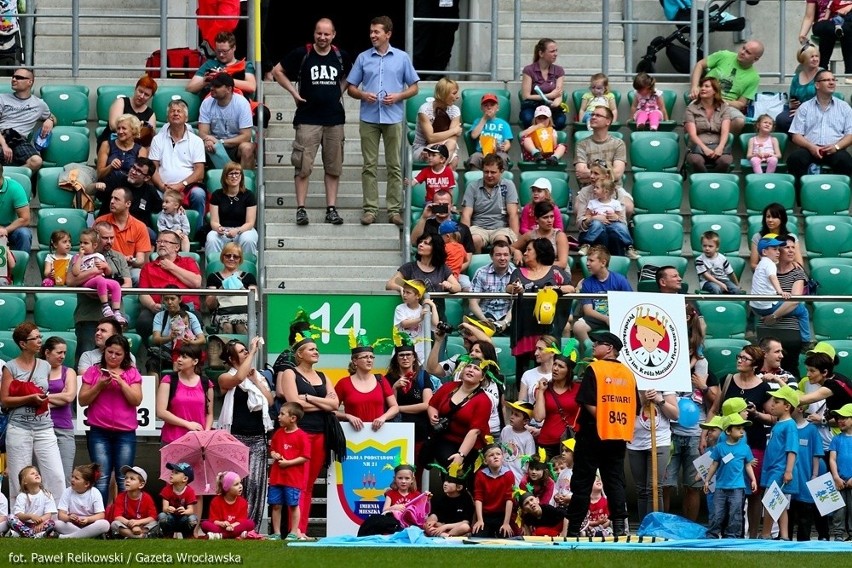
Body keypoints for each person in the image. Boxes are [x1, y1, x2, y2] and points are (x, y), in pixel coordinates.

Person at [272, 18, 349, 226]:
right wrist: (293, 93)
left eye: (327, 34)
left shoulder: (341, 56)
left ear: (333, 35)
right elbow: (277, 71)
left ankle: (331, 209)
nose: (322, 37)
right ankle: (301, 208)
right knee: (303, 166)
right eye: (319, 33)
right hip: (307, 118)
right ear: (314, 33)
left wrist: (338, 92)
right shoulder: (302, 54)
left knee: (333, 168)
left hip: (334, 119)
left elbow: (352, 76)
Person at [346, 15, 420, 227]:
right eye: (371, 32)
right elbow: (351, 87)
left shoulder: (402, 57)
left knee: (394, 165)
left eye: (377, 32)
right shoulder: (363, 58)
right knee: (369, 165)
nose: (372, 36)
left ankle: (394, 210)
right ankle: (370, 209)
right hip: (368, 117)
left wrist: (398, 96)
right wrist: (362, 95)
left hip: (393, 117)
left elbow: (415, 87)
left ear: (388, 34)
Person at [564, 331, 639, 538]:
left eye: (598, 344)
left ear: (609, 349)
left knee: (582, 482)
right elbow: (635, 407)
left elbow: (587, 401)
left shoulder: (594, 369)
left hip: (592, 434)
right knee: (614, 482)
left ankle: (573, 529)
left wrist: (604, 420)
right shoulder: (628, 374)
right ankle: (619, 529)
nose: (593, 346)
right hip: (618, 436)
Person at [277, 332, 342, 536]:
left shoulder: (323, 376)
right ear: (299, 354)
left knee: (309, 483)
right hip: (299, 434)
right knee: (298, 483)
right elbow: (294, 405)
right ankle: (294, 529)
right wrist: (322, 404)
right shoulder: (290, 373)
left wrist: (309, 398)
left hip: (321, 433)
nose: (316, 351)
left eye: (316, 349)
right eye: (311, 349)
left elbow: (335, 404)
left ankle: (301, 529)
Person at [708, 344, 774, 538]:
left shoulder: (763, 387)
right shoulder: (728, 380)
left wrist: (755, 414)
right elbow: (714, 409)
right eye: (739, 356)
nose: (739, 360)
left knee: (753, 491)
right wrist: (707, 433)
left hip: (753, 444)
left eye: (745, 358)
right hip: (726, 444)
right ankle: (727, 532)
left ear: (755, 365)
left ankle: (753, 535)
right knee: (726, 488)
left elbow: (772, 417)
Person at [0, 322, 65, 504]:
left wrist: (40, 399)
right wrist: (30, 398)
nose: (39, 341)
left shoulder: (44, 365)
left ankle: (55, 520)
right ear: (23, 344)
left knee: (56, 475)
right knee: (19, 478)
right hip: (19, 427)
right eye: (35, 338)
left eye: (39, 337)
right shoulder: (10, 367)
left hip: (44, 426)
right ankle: (19, 519)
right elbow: (4, 400)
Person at [78, 334, 143, 504]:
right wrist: (98, 386)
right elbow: (82, 400)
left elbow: (136, 400)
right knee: (101, 478)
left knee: (124, 479)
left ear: (125, 355)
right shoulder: (93, 370)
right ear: (104, 351)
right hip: (99, 431)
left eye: (118, 354)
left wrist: (122, 383)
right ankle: (101, 519)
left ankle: (123, 518)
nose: (113, 356)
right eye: (110, 352)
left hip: (125, 433)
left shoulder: (131, 372)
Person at [217, 337, 274, 529]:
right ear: (232, 360)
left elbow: (270, 401)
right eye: (242, 352)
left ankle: (250, 528)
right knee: (236, 484)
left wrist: (256, 380)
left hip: (258, 437)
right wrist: (254, 351)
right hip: (236, 438)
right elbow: (238, 379)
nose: (247, 353)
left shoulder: (256, 375)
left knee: (256, 485)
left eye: (246, 351)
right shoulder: (225, 377)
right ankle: (232, 526)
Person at [507, 238, 574, 373]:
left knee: (548, 369)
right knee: (522, 368)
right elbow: (508, 287)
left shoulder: (555, 272)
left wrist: (556, 289)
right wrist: (515, 288)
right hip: (524, 328)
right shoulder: (518, 272)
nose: (525, 253)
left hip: (547, 329)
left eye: (529, 250)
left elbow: (571, 288)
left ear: (539, 252)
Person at [426, 357, 495, 472]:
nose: (471, 370)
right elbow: (432, 404)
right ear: (462, 371)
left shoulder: (484, 401)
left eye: (476, 369)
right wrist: (433, 416)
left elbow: (475, 432)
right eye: (468, 367)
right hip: (445, 440)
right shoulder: (449, 387)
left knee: (461, 475)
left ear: (482, 377)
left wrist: (461, 455)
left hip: (471, 446)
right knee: (450, 470)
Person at [136, 230, 202, 340]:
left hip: (186, 308)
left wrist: (171, 267)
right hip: (159, 309)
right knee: (144, 321)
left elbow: (196, 282)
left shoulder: (188, 261)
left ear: (177, 247)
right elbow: (143, 293)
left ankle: (188, 354)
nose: (161, 244)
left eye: (166, 242)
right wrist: (152, 305)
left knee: (196, 318)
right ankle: (153, 351)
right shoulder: (148, 267)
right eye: (159, 241)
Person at [148, 99, 207, 222]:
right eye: (172, 111)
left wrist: (181, 185)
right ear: (167, 117)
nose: (175, 113)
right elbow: (153, 169)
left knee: (199, 194)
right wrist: (163, 187)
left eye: (179, 111)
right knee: (150, 194)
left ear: (186, 117)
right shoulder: (157, 139)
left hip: (187, 187)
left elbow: (199, 172)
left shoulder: (196, 141)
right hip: (162, 188)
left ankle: (198, 231)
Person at [627, 388, 679, 524]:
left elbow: (675, 415)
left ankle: (655, 528)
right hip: (634, 442)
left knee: (655, 488)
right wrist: (642, 400)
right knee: (641, 490)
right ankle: (644, 528)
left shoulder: (664, 382)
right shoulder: (629, 382)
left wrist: (659, 400)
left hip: (659, 441)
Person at [788, 69, 852, 179]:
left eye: (833, 80)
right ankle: (800, 194)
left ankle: (839, 194)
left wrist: (836, 147)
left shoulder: (844, 107)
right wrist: (811, 147)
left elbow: (850, 134)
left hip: (834, 149)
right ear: (817, 85)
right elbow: (795, 135)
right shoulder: (805, 107)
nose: (832, 82)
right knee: (795, 159)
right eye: (827, 80)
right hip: (810, 149)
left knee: (845, 161)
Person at [689, 41, 765, 133]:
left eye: (748, 52)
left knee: (739, 121)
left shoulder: (754, 78)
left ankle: (722, 142)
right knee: (691, 116)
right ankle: (696, 145)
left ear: (755, 59)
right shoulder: (724, 55)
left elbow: (741, 104)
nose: (742, 52)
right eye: (743, 48)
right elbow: (700, 65)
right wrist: (695, 86)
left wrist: (724, 102)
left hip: (726, 105)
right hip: (705, 98)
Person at [750, 235, 811, 344]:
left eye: (793, 248)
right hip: (765, 329)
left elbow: (794, 301)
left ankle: (806, 342)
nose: (792, 251)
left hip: (789, 331)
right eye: (787, 247)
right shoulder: (767, 269)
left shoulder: (797, 272)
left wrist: (773, 317)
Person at [704, 415, 757, 539]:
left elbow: (748, 465)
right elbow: (714, 464)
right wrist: (707, 480)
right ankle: (712, 535)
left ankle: (732, 536)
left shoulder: (745, 448)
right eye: (738, 428)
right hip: (720, 487)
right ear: (728, 431)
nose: (741, 430)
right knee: (717, 513)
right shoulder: (720, 447)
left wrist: (753, 479)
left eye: (742, 428)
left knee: (735, 513)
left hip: (738, 487)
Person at [385, 339, 434, 471]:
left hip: (419, 430)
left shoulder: (423, 376)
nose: (405, 358)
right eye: (401, 355)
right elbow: (389, 406)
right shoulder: (388, 378)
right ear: (396, 358)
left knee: (416, 470)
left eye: (408, 355)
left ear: (414, 358)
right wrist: (394, 388)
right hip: (396, 431)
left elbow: (427, 404)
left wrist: (398, 409)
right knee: (397, 469)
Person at [759, 386, 801, 540]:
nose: (772, 404)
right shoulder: (778, 424)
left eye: (776, 402)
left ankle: (765, 533)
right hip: (773, 469)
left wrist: (788, 471)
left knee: (771, 501)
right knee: (778, 502)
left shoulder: (790, 425)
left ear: (787, 406)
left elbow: (792, 450)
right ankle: (784, 535)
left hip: (780, 469)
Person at [572, 246, 633, 347]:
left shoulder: (620, 280)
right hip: (596, 317)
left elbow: (630, 301)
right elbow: (588, 311)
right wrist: (606, 319)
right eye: (587, 260)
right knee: (578, 327)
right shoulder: (587, 283)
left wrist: (615, 318)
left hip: (617, 317)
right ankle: (591, 351)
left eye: (591, 260)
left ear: (603, 263)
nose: (587, 263)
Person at [385, 233, 461, 314]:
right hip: (414, 318)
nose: (420, 245)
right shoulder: (409, 267)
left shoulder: (442, 268)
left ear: (435, 248)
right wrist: (401, 288)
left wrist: (450, 286)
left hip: (437, 318)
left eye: (426, 243)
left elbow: (458, 287)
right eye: (420, 242)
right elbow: (390, 284)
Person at [335, 337, 399, 431]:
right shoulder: (343, 383)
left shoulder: (381, 380)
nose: (369, 360)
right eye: (365, 357)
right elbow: (331, 410)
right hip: (353, 434)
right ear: (355, 361)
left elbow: (395, 407)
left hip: (379, 433)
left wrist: (383, 417)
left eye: (371, 357)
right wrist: (347, 416)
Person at [0, 67, 55, 175]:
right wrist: (4, 145)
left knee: (36, 161)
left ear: (30, 82)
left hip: (19, 141)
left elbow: (53, 117)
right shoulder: (2, 98)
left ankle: (10, 177)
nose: (14, 79)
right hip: (2, 137)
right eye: (13, 77)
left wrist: (50, 120)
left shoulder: (39, 104)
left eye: (19, 77)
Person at [461, 154, 520, 253]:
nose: (489, 175)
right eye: (486, 172)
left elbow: (513, 214)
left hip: (501, 228)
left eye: (493, 172)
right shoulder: (472, 186)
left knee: (502, 241)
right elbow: (466, 215)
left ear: (501, 171)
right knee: (474, 240)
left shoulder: (508, 185)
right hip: (478, 227)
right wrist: (465, 237)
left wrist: (515, 240)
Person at [155, 343, 213, 445]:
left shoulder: (206, 383)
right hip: (173, 440)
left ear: (195, 361)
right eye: (179, 356)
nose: (179, 359)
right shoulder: (169, 380)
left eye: (184, 357)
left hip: (198, 441)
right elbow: (161, 412)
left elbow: (209, 413)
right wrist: (187, 424)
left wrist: (206, 433)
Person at [94, 187, 153, 285]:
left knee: (138, 276)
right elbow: (92, 248)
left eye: (116, 199)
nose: (112, 201)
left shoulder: (140, 226)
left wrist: (130, 260)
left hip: (128, 267)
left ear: (128, 204)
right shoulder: (100, 222)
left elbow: (140, 260)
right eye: (111, 198)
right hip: (103, 264)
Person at [269, 403, 310, 541]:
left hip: (293, 478)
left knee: (293, 505)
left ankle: (293, 532)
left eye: (282, 414)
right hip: (277, 476)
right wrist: (274, 454)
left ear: (293, 418)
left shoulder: (302, 436)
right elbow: (273, 448)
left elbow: (305, 457)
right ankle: (276, 533)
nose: (278, 417)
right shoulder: (278, 433)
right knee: (275, 505)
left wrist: (288, 463)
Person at [198, 72, 255, 169]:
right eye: (211, 85)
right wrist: (208, 141)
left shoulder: (242, 103)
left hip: (235, 145)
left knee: (247, 148)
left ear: (229, 89)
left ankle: (245, 183)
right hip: (213, 145)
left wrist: (221, 142)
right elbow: (202, 133)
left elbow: (246, 136)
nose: (212, 88)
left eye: (217, 86)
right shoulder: (207, 102)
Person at [71, 228, 128, 325]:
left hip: (101, 282)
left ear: (94, 244)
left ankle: (116, 312)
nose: (82, 245)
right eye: (105, 238)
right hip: (88, 292)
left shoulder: (100, 256)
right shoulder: (77, 256)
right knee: (100, 280)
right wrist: (91, 269)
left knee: (115, 284)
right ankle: (105, 306)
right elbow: (74, 275)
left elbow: (108, 273)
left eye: (85, 243)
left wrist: (106, 266)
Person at [532, 353, 581, 462]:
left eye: (561, 366)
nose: (555, 369)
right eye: (555, 364)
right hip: (547, 442)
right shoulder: (543, 388)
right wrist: (541, 391)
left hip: (569, 443)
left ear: (569, 371)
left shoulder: (578, 389)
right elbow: (539, 417)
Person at [42, 336, 78, 484]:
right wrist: (59, 397)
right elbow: (29, 398)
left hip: (64, 430)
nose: (63, 356)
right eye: (59, 352)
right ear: (47, 352)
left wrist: (43, 399)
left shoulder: (69, 372)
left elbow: (69, 397)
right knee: (42, 477)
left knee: (65, 477)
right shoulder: (37, 371)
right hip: (41, 428)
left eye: (64, 352)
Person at [205, 161, 258, 256]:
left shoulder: (249, 195)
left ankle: (246, 268)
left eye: (237, 173)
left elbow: (250, 223)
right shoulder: (217, 195)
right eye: (231, 174)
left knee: (248, 239)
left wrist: (237, 230)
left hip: (243, 230)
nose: (234, 176)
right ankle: (214, 268)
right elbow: (214, 221)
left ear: (241, 176)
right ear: (225, 177)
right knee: (212, 237)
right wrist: (219, 228)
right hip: (223, 231)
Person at [789, 401, 825, 541]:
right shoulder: (788, 427)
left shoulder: (811, 430)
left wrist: (814, 475)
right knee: (788, 513)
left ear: (799, 409)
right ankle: (784, 539)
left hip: (805, 480)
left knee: (805, 515)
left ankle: (804, 543)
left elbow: (816, 453)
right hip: (789, 480)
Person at [577, 177, 637, 259]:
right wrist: (594, 217)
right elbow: (587, 215)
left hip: (611, 224)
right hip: (598, 224)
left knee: (621, 226)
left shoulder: (615, 203)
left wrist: (615, 217)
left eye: (597, 188)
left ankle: (629, 247)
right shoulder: (592, 203)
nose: (594, 189)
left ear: (606, 192)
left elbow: (619, 217)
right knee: (596, 224)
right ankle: (586, 244)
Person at [205, 242, 258, 334]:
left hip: (245, 314)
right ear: (223, 257)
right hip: (222, 315)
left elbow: (255, 300)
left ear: (240, 259)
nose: (231, 259)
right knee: (227, 325)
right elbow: (210, 305)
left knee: (240, 325)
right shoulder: (213, 277)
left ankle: (245, 348)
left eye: (235, 257)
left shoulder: (249, 277)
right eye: (228, 256)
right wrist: (220, 289)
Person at [683, 77, 733, 173]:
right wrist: (704, 148)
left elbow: (725, 131)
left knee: (725, 161)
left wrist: (720, 147)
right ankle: (703, 183)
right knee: (696, 161)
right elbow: (692, 134)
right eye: (701, 86)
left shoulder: (724, 108)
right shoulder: (691, 108)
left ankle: (716, 183)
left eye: (707, 86)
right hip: (697, 147)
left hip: (718, 146)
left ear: (715, 90)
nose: (702, 89)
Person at [187, 31, 257, 99]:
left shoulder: (245, 65)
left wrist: (224, 79)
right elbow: (190, 88)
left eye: (224, 51)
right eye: (218, 51)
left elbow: (251, 87)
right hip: (212, 101)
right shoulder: (209, 64)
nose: (221, 54)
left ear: (233, 48)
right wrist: (205, 81)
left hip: (236, 102)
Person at [411, 79, 462, 169]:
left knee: (453, 151)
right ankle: (439, 175)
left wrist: (434, 146)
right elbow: (430, 138)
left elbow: (453, 138)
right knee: (439, 155)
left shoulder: (455, 110)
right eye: (454, 93)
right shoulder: (425, 110)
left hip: (445, 147)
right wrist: (454, 130)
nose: (457, 97)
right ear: (443, 94)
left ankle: (440, 175)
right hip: (422, 148)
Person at [799, 2, 852, 84]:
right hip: (823, 23)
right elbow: (809, 17)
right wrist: (802, 34)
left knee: (847, 29)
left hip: (845, 23)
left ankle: (849, 73)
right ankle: (822, 71)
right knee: (828, 28)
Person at [98, 75, 158, 147]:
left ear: (150, 97)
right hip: (112, 143)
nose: (141, 96)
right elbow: (113, 126)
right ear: (135, 89)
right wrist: (137, 131)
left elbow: (148, 136)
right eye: (140, 91)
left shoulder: (150, 114)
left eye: (146, 95)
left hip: (136, 147)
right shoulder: (121, 102)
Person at [520, 38, 567, 130]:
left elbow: (558, 94)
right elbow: (526, 96)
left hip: (550, 106)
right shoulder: (528, 70)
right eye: (552, 51)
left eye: (556, 51)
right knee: (527, 118)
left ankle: (550, 141)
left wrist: (556, 103)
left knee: (560, 121)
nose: (555, 54)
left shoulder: (559, 70)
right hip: (532, 105)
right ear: (541, 53)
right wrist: (548, 95)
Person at [54, 463, 110, 539]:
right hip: (73, 524)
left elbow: (101, 515)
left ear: (86, 484)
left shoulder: (95, 492)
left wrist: (88, 519)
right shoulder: (67, 492)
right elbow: (61, 515)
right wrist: (69, 518)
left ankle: (66, 537)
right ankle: (88, 535)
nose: (72, 480)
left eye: (76, 478)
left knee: (105, 524)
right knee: (57, 523)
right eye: (72, 476)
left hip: (89, 524)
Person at [775, 43, 822, 134]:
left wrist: (803, 111)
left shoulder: (823, 74)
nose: (815, 59)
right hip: (799, 110)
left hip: (818, 110)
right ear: (803, 59)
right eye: (812, 56)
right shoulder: (797, 77)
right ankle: (802, 140)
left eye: (817, 56)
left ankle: (808, 141)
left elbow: (825, 99)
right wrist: (792, 104)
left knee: (805, 120)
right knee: (781, 119)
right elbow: (792, 98)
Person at [410, 188, 474, 255]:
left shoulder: (463, 228)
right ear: (433, 205)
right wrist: (424, 217)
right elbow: (414, 242)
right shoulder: (426, 224)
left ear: (451, 206)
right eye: (438, 205)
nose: (442, 208)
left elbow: (468, 254)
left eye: (445, 205)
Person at [573, 107, 626, 186]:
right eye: (592, 115)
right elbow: (581, 176)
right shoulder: (582, 144)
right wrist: (608, 174)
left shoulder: (618, 144)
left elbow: (617, 174)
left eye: (598, 115)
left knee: (627, 198)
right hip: (590, 190)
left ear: (608, 121)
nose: (593, 117)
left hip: (614, 189)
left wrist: (591, 174)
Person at [574, 159, 635, 228]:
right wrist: (592, 219)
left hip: (613, 228)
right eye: (591, 172)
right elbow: (579, 222)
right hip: (593, 230)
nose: (591, 176)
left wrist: (616, 218)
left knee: (620, 227)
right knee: (597, 224)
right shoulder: (585, 191)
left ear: (607, 176)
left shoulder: (618, 192)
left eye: (596, 173)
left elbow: (623, 222)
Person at [471, 443, 515, 537]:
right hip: (485, 515)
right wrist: (480, 520)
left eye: (498, 454)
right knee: (477, 537)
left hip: (502, 515)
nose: (495, 457)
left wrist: (506, 523)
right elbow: (478, 497)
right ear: (485, 461)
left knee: (506, 537)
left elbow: (509, 499)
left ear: (502, 457)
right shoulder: (480, 475)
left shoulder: (508, 474)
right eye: (491, 455)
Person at [469, 240, 516, 328]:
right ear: (491, 256)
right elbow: (473, 303)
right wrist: (484, 320)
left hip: (507, 317)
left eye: (506, 255)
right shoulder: (481, 272)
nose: (502, 258)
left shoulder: (516, 273)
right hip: (483, 315)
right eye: (498, 255)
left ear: (510, 257)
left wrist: (505, 322)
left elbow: (516, 305)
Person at [201, 471, 260, 539]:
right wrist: (222, 523)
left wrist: (232, 526)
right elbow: (213, 520)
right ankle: (237, 534)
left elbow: (242, 520)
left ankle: (220, 536)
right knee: (204, 524)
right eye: (236, 484)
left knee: (250, 523)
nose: (240, 486)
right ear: (227, 488)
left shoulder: (243, 502)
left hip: (235, 527)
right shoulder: (215, 501)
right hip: (222, 527)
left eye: (240, 483)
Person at [96, 114, 147, 190]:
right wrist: (110, 167)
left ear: (133, 130)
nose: (120, 131)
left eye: (124, 128)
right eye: (118, 128)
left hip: (130, 191)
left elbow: (141, 177)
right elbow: (99, 174)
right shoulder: (106, 145)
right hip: (107, 188)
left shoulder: (141, 150)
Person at [393, 278, 438, 364]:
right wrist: (420, 319)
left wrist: (433, 307)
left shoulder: (423, 309)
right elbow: (404, 323)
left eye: (408, 293)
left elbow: (436, 324)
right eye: (404, 291)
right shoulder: (400, 308)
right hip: (402, 351)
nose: (404, 295)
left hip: (419, 353)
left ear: (417, 296)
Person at [515, 201, 569, 271]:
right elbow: (511, 247)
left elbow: (562, 264)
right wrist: (517, 252)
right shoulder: (530, 235)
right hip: (534, 272)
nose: (550, 220)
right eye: (545, 217)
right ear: (537, 219)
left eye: (552, 216)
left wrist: (537, 264)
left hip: (556, 271)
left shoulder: (559, 236)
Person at [749, 203, 804, 270]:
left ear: (782, 219)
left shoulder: (791, 237)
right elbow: (753, 264)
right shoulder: (758, 237)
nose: (770, 220)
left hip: (786, 274)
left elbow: (799, 263)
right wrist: (770, 272)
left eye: (774, 217)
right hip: (766, 274)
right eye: (768, 216)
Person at [423, 465, 473, 537]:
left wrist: (445, 526)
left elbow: (465, 522)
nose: (445, 484)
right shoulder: (440, 498)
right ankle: (447, 536)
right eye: (445, 481)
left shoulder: (466, 500)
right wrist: (433, 522)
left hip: (454, 528)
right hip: (440, 527)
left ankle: (445, 536)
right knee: (426, 525)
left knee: (465, 527)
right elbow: (435, 515)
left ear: (459, 487)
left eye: (449, 482)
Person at [466, 93, 512, 170]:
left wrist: (505, 147)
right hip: (481, 152)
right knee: (474, 158)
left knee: (503, 158)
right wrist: (484, 119)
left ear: (497, 108)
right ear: (482, 108)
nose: (489, 107)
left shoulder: (503, 124)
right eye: (486, 105)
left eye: (492, 105)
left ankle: (501, 180)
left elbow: (508, 142)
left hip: (498, 153)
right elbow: (474, 135)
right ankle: (475, 179)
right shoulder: (478, 121)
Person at [109, 465, 157, 539]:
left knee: (154, 523)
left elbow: (152, 517)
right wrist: (131, 524)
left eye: (132, 479)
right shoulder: (121, 497)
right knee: (114, 524)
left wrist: (138, 523)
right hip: (127, 524)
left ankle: (130, 535)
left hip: (141, 525)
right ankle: (139, 536)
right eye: (126, 478)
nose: (127, 480)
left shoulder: (147, 498)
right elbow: (117, 517)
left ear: (141, 485)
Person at [8, 465, 57, 538]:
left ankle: (23, 534)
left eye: (37, 473)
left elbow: (48, 514)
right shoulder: (22, 496)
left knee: (51, 523)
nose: (36, 474)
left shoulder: (47, 494)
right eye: (32, 473)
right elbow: (18, 515)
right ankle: (35, 534)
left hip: (39, 525)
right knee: (10, 518)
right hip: (24, 524)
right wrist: (30, 516)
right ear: (25, 481)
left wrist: (40, 522)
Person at [829, 404, 852, 541]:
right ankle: (838, 534)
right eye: (838, 418)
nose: (840, 420)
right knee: (839, 509)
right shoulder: (837, 439)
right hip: (839, 481)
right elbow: (832, 459)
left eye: (844, 417)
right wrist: (836, 477)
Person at [696, 230, 745, 295]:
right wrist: (720, 284)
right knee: (716, 288)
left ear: (717, 248)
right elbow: (706, 276)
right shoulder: (699, 260)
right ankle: (717, 304)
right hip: (707, 282)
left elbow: (731, 273)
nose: (707, 248)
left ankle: (730, 304)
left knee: (736, 290)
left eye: (710, 246)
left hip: (724, 280)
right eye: (704, 246)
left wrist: (737, 285)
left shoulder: (722, 258)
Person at [158, 462, 198, 539]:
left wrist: (185, 511)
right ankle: (167, 535)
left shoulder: (190, 491)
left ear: (185, 479)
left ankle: (188, 535)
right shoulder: (166, 490)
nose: (172, 474)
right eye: (172, 472)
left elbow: (191, 510)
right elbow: (164, 508)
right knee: (162, 516)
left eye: (176, 473)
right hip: (171, 518)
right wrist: (168, 509)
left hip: (183, 520)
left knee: (193, 518)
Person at [518, 335, 558, 408]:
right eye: (536, 349)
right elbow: (521, 405)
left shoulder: (559, 375)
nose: (536, 353)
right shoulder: (528, 375)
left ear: (552, 352)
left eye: (540, 349)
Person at [502, 401, 536, 483]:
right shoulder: (505, 430)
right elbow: (501, 449)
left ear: (525, 421)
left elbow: (529, 459)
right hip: (503, 472)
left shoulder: (528, 438)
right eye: (512, 413)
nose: (512, 416)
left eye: (516, 415)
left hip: (518, 475)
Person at [0, 161, 31, 252]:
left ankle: (20, 265)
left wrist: (5, 230)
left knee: (24, 234)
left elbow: (25, 219)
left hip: (11, 228)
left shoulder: (15, 188)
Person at [438, 219, 471, 290]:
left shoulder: (444, 247)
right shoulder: (461, 247)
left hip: (445, 277)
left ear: (447, 236)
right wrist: (457, 266)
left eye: (441, 236)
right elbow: (466, 260)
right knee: (467, 284)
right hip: (457, 276)